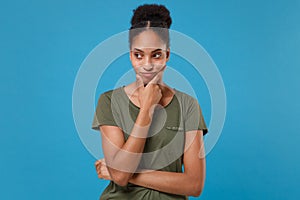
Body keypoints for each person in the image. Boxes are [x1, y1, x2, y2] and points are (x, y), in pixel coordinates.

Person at [92, 4, 208, 200]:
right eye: (139, 55)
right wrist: (147, 108)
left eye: (156, 55)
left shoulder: (188, 106)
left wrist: (125, 173)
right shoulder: (109, 101)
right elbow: (120, 176)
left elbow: (194, 185)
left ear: (167, 55)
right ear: (130, 55)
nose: (147, 65)